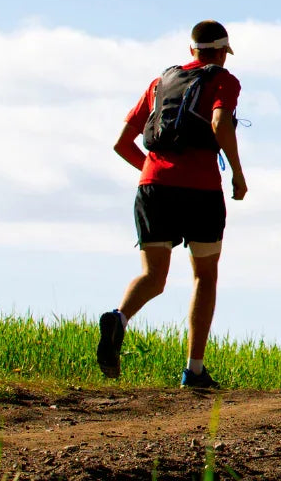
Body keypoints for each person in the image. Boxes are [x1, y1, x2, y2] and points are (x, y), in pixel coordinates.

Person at [96, 20, 248, 389]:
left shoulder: (159, 82)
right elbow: (219, 124)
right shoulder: (223, 81)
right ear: (223, 53)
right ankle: (194, 371)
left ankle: (120, 318)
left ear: (191, 50)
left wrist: (155, 170)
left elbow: (122, 143)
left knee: (153, 276)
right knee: (205, 275)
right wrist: (238, 175)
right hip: (200, 189)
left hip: (153, 188)